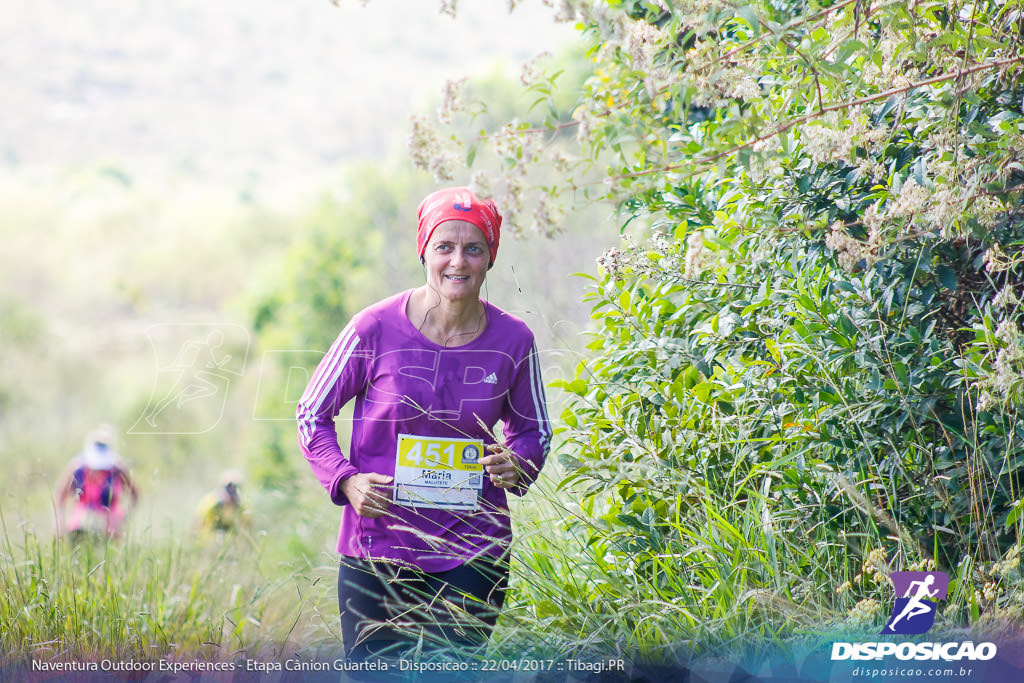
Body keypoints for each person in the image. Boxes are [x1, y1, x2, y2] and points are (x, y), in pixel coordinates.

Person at [297, 187, 551, 662]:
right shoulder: (372, 328)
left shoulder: (514, 339)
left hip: (474, 549)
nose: (458, 261)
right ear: (424, 252)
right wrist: (346, 480)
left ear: (490, 258)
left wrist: (519, 463)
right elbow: (312, 413)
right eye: (445, 247)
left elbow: (534, 430)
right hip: (378, 544)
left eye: (473, 248)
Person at [56, 424, 138, 540]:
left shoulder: (118, 470)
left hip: (110, 522)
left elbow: (135, 496)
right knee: (72, 538)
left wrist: (123, 519)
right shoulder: (76, 468)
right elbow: (60, 495)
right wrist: (59, 523)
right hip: (81, 520)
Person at [196, 469, 247, 536]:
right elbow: (197, 527)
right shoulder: (210, 504)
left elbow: (248, 530)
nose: (232, 494)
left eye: (235, 489)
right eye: (229, 489)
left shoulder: (244, 508)